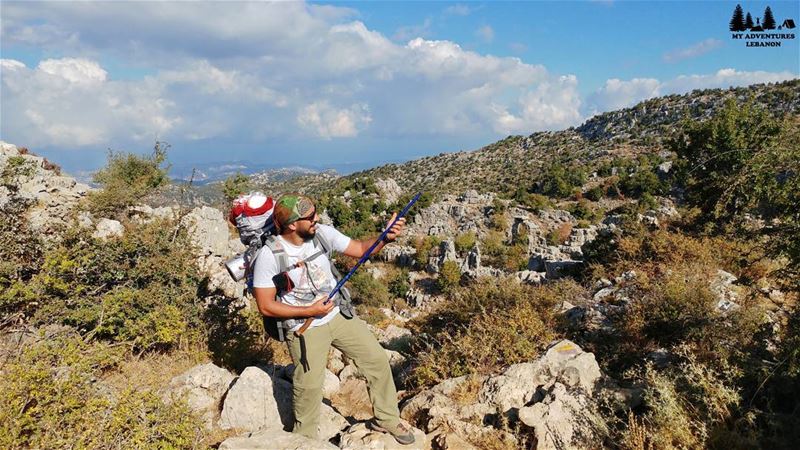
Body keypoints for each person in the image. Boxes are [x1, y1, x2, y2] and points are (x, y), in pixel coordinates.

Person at [252, 193, 415, 445]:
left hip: (337, 315)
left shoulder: (321, 234)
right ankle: (303, 439)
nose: (317, 219)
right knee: (309, 386)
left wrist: (386, 237)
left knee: (377, 360)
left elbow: (361, 249)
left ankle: (387, 418)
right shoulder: (269, 256)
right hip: (304, 327)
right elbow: (266, 305)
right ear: (293, 224)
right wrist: (308, 311)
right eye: (311, 217)